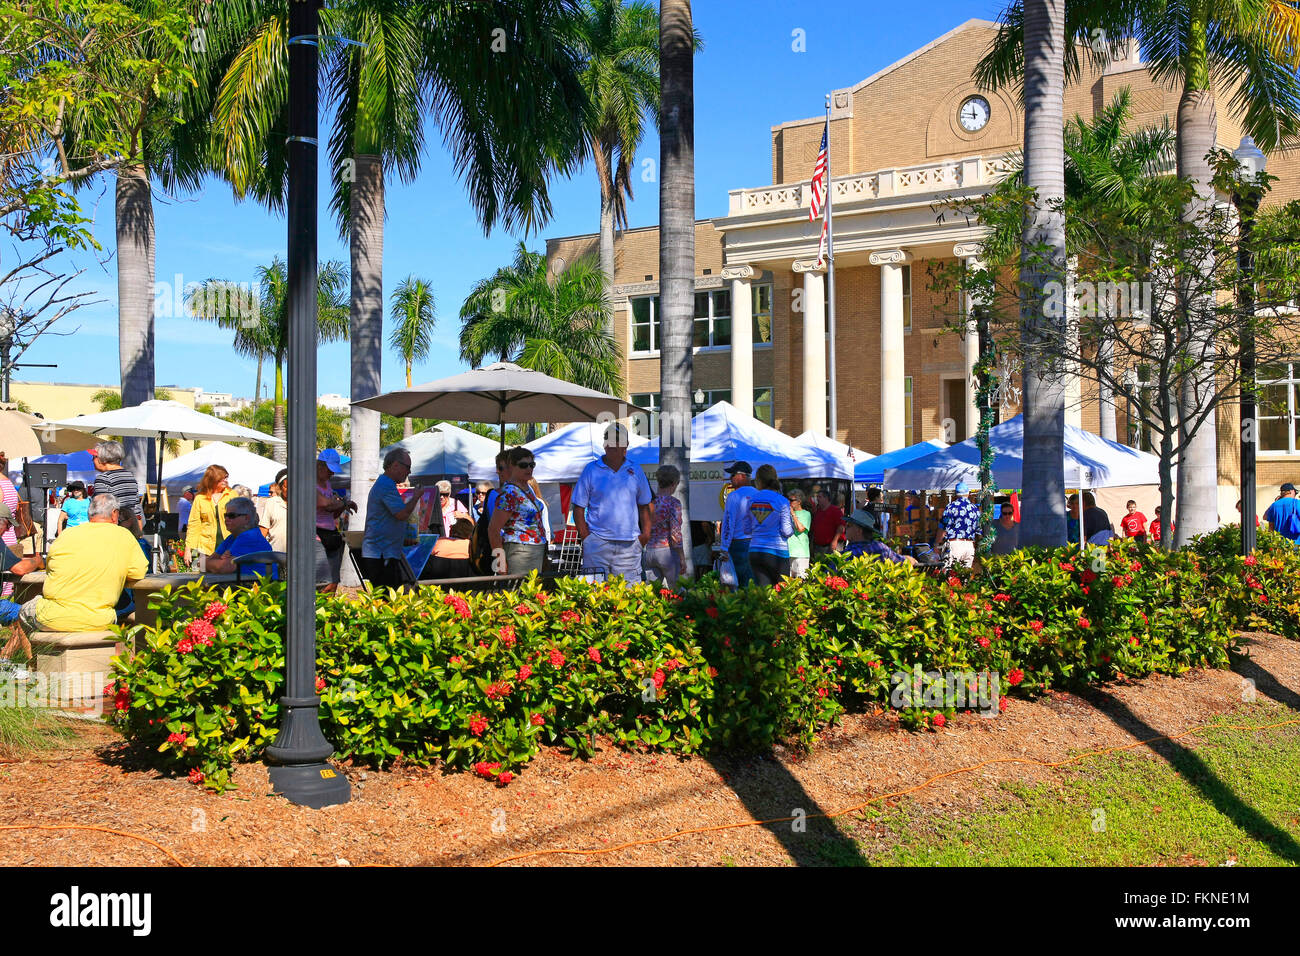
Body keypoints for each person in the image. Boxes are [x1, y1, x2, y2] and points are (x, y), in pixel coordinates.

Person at [15, 493, 148, 637]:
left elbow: (51, 569)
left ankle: (24, 658)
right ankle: (19, 657)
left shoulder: (66, 534)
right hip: (99, 619)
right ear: (114, 514)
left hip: (52, 617)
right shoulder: (125, 536)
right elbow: (138, 572)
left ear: (89, 513)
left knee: (25, 611)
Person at [571, 423, 652, 585]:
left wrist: (645, 536)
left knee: (629, 597)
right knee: (594, 595)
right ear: (604, 444)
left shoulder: (636, 470)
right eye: (609, 439)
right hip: (597, 545)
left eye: (618, 439)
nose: (613, 443)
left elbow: (645, 505)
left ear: (626, 445)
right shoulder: (591, 469)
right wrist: (587, 538)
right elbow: (578, 507)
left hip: (629, 547)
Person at [362, 448, 420, 587]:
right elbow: (402, 514)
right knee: (387, 600)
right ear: (395, 465)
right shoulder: (386, 485)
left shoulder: (386, 484)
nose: (409, 472)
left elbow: (390, 519)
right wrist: (416, 496)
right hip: (381, 554)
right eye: (407, 467)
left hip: (383, 552)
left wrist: (402, 539)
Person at [489, 446, 547, 576]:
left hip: (535, 549)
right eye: (523, 465)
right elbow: (493, 530)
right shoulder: (509, 492)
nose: (529, 469)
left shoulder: (528, 488)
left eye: (532, 465)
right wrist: (500, 564)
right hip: (519, 551)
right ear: (512, 467)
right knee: (517, 592)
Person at [745, 464, 793, 586]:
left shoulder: (751, 500)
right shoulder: (782, 501)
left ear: (758, 480)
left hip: (755, 551)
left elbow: (746, 529)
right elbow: (787, 531)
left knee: (763, 595)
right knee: (782, 594)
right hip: (777, 553)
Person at [205, 497, 276, 579]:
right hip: (243, 584)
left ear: (247, 518)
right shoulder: (232, 537)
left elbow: (225, 567)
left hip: (260, 588)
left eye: (231, 516)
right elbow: (214, 560)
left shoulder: (250, 537)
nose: (226, 519)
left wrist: (207, 563)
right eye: (225, 515)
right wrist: (217, 562)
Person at [316, 450, 355, 583]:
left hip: (330, 533)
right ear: (320, 466)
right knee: (322, 580)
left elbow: (333, 513)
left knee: (333, 580)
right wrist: (342, 502)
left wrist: (343, 505)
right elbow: (325, 504)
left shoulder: (327, 484)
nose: (331, 473)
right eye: (329, 470)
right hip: (316, 536)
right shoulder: (310, 483)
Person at [644, 464, 686, 587]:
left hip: (649, 551)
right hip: (667, 552)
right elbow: (675, 533)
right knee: (676, 591)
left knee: (650, 593)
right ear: (673, 483)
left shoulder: (649, 502)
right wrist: (682, 557)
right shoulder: (673, 503)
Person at [90, 441, 142, 536]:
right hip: (129, 530)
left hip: (111, 530)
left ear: (103, 457)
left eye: (94, 457)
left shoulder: (104, 478)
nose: (92, 460)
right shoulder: (130, 476)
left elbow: (102, 511)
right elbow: (137, 509)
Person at [718, 461, 756, 587]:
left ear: (742, 476)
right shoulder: (758, 494)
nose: (730, 478)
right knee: (752, 582)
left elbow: (729, 522)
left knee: (735, 583)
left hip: (738, 543)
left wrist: (724, 547)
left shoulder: (733, 496)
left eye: (733, 475)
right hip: (756, 543)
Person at [186, 464, 233, 560]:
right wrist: (188, 550)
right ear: (213, 479)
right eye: (222, 478)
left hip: (229, 547)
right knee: (203, 573)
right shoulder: (200, 498)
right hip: (205, 548)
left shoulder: (232, 495)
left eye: (226, 478)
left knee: (227, 574)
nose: (225, 480)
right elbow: (194, 525)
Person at [843, 509, 916, 565]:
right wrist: (909, 558)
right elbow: (904, 561)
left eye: (849, 525)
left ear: (859, 530)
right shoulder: (880, 547)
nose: (846, 527)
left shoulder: (848, 554)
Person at [935, 481, 979, 568]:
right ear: (968, 494)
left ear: (956, 494)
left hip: (954, 544)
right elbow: (978, 530)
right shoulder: (975, 509)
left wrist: (936, 544)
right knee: (965, 577)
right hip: (969, 545)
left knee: (949, 576)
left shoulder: (951, 507)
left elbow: (943, 527)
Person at [811, 487, 844, 556]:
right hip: (819, 547)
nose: (817, 499)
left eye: (819, 497)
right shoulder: (818, 511)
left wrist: (835, 541)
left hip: (832, 545)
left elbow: (841, 527)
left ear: (826, 498)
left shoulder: (835, 511)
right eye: (817, 497)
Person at [261, 469, 288, 551]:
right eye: (286, 486)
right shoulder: (271, 503)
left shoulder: (303, 503)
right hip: (276, 554)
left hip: (299, 555)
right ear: (280, 487)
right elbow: (264, 529)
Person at [787, 488, 812, 578]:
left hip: (801, 554)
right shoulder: (786, 513)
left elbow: (800, 529)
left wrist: (793, 514)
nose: (789, 502)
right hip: (788, 552)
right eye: (788, 500)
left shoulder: (806, 514)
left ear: (799, 501)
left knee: (801, 582)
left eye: (791, 500)